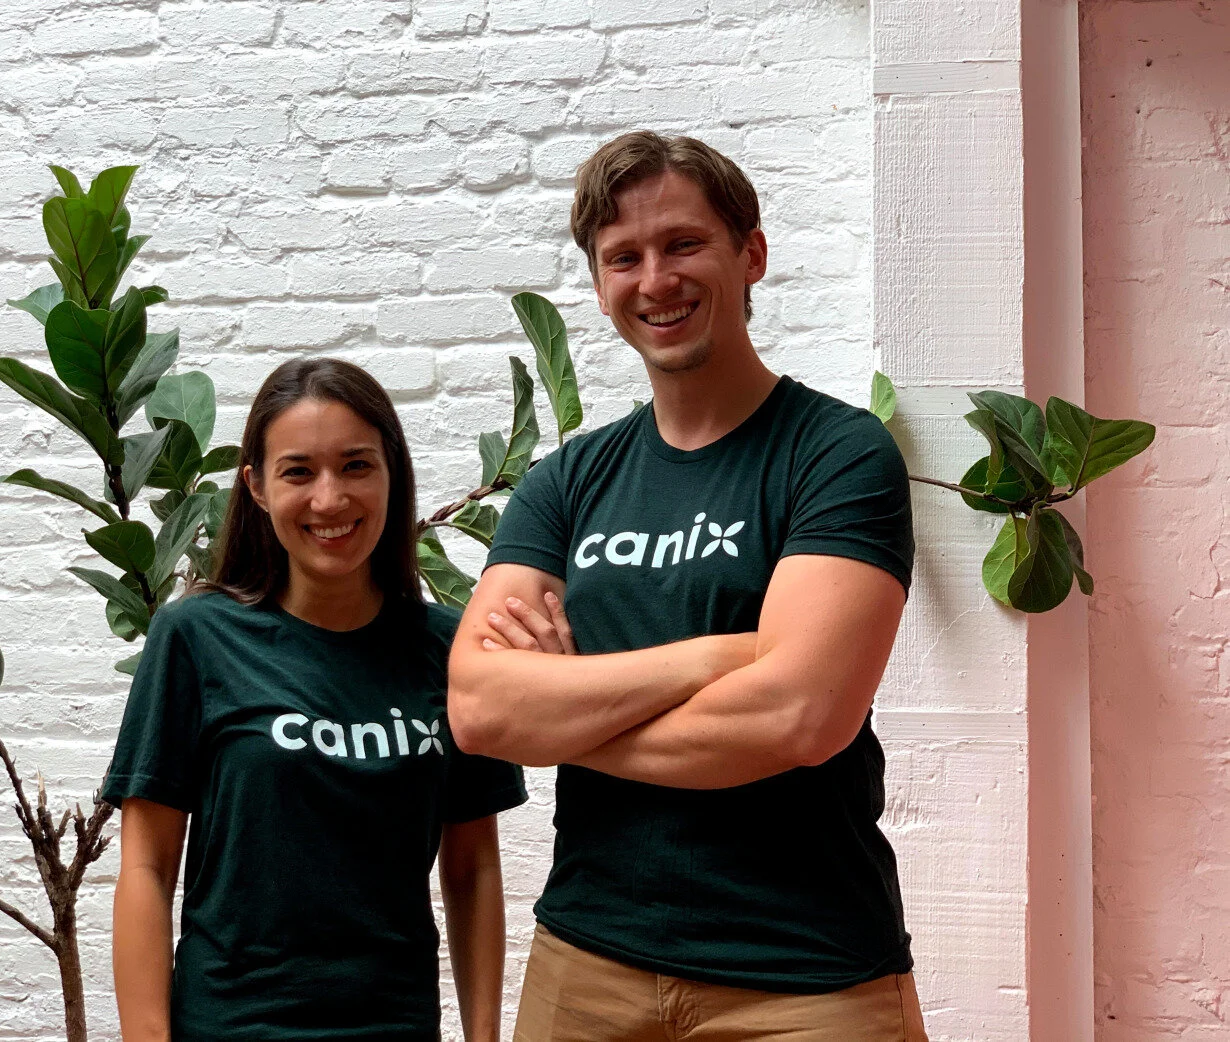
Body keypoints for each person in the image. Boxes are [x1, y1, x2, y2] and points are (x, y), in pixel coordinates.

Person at [448, 132, 928, 1040]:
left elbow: (798, 717)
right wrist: (720, 659)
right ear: (600, 288)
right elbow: (479, 710)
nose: (655, 279)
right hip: (585, 964)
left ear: (751, 254)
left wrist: (564, 716)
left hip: (806, 981)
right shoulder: (566, 483)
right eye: (623, 257)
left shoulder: (836, 455)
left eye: (683, 244)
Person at [103, 358, 528, 1042]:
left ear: (392, 473)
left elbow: (473, 869)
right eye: (298, 472)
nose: (329, 500)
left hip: (395, 1027)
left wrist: (484, 1037)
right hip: (231, 1026)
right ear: (257, 486)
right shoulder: (196, 637)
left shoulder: (452, 649)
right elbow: (147, 867)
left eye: (356, 466)